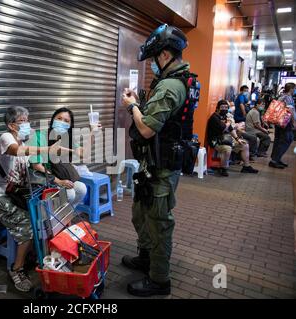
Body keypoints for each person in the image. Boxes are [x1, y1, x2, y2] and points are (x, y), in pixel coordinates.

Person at [120, 24, 191, 297]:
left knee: (159, 223)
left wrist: (132, 106)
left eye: (152, 58)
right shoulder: (168, 82)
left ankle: (160, 279)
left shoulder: (171, 85)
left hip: (162, 169)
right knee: (142, 214)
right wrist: (139, 103)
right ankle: (147, 259)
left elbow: (147, 128)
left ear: (164, 55)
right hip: (153, 165)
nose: (151, 65)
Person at [0, 106, 63, 292]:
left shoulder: (23, 140)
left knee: (43, 215)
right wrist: (46, 148)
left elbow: (28, 171)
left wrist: (54, 181)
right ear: (12, 125)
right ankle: (16, 269)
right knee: (27, 226)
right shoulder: (7, 139)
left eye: (28, 119)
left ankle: (35, 254)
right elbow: (17, 151)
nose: (27, 124)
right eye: (23, 121)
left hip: (14, 193)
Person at [29, 107, 88, 206]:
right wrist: (59, 181)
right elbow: (37, 166)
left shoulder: (67, 138)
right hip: (42, 178)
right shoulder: (39, 136)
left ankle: (66, 217)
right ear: (53, 120)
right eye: (59, 119)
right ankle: (54, 219)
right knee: (69, 194)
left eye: (66, 121)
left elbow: (83, 154)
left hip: (59, 175)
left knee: (81, 189)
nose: (61, 122)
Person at [207, 100, 259, 176]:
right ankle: (223, 169)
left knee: (245, 145)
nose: (224, 109)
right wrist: (228, 123)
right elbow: (224, 128)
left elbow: (230, 129)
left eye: (226, 107)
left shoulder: (224, 116)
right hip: (215, 141)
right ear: (217, 108)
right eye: (222, 107)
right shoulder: (214, 117)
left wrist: (238, 139)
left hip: (226, 139)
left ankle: (246, 166)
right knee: (228, 149)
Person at [269, 82, 295, 169]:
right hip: (286, 122)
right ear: (291, 89)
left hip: (278, 122)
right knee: (286, 140)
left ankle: (276, 159)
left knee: (278, 140)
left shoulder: (281, 96)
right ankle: (275, 160)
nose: (294, 90)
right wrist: (294, 122)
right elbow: (290, 111)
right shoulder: (288, 98)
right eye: (294, 88)